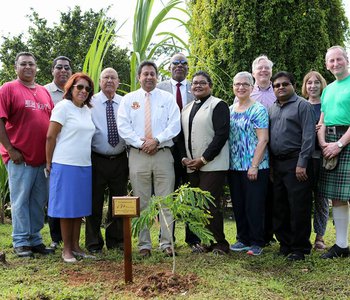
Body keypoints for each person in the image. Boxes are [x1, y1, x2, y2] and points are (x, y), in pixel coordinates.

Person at [117, 61, 180, 258]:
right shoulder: (129, 99)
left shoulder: (167, 98)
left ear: (157, 76)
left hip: (162, 153)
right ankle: (144, 244)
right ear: (139, 77)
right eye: (145, 74)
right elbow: (123, 126)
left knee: (165, 201)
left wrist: (157, 141)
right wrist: (141, 143)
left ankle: (167, 242)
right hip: (138, 155)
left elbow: (175, 125)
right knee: (141, 201)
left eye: (153, 74)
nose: (149, 77)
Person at [0, 52, 55, 258]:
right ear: (16, 68)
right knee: (20, 200)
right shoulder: (8, 89)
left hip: (41, 159)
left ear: (36, 67)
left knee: (37, 201)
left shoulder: (43, 91)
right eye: (23, 64)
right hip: (19, 158)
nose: (28, 67)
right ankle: (21, 241)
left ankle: (35, 240)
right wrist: (11, 149)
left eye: (31, 64)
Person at [46, 73, 96, 263]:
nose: (83, 91)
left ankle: (76, 246)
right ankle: (66, 249)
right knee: (67, 209)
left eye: (87, 89)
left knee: (79, 208)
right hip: (65, 164)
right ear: (71, 88)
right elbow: (50, 137)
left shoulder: (86, 110)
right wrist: (49, 162)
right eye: (79, 87)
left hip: (84, 165)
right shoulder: (63, 107)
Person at [181, 71, 230, 255]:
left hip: (213, 164)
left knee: (210, 204)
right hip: (192, 165)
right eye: (194, 83)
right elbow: (181, 137)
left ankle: (220, 244)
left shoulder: (218, 105)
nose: (198, 86)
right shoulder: (186, 108)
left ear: (210, 85)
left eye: (202, 83)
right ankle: (206, 241)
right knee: (198, 206)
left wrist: (203, 159)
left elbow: (221, 135)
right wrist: (184, 159)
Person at [269, 71, 315, 261]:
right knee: (280, 206)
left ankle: (300, 248)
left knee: (299, 207)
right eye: (277, 85)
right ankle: (285, 244)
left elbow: (309, 136)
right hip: (277, 164)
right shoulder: (272, 108)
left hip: (297, 163)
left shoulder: (302, 106)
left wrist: (302, 163)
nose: (280, 87)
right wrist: (271, 166)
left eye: (284, 84)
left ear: (293, 86)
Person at [85, 68, 128, 253]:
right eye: (106, 77)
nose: (109, 80)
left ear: (118, 81)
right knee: (94, 202)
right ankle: (94, 243)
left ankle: (116, 241)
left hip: (120, 159)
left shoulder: (125, 102)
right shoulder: (90, 102)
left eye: (113, 77)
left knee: (118, 202)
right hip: (97, 158)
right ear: (100, 81)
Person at [157, 53, 196, 248]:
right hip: (165, 147)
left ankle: (193, 238)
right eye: (175, 63)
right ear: (169, 67)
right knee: (166, 194)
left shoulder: (196, 87)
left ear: (188, 68)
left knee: (190, 193)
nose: (179, 66)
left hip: (190, 149)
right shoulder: (159, 88)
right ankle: (166, 239)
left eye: (183, 63)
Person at [228, 72, 269, 256]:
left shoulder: (258, 109)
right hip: (234, 166)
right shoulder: (230, 109)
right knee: (238, 204)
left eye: (245, 84)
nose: (241, 87)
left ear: (252, 87)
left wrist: (254, 165)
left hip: (255, 166)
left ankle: (257, 242)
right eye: (237, 84)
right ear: (233, 87)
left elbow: (263, 140)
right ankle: (242, 238)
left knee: (254, 205)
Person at [318, 46, 350, 259]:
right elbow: (321, 120)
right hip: (329, 141)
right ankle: (341, 245)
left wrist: (339, 144)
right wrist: (323, 143)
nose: (335, 63)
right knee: (337, 197)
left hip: (345, 139)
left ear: (347, 59)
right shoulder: (328, 89)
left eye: (339, 59)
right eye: (331, 61)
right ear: (327, 65)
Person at [44, 56, 73, 249]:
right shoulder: (44, 92)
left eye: (67, 68)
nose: (63, 71)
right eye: (59, 67)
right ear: (53, 70)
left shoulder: (76, 92)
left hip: (71, 152)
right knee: (54, 195)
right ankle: (56, 239)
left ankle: (69, 239)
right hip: (52, 150)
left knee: (67, 196)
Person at [301, 71, 329, 251]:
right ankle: (302, 236)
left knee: (321, 199)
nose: (312, 86)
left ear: (321, 84)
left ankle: (320, 237)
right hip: (304, 159)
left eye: (316, 82)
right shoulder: (300, 105)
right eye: (309, 82)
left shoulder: (328, 105)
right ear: (305, 86)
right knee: (303, 199)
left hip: (323, 158)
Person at [251, 55, 276, 246]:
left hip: (277, 147)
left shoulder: (279, 91)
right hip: (257, 150)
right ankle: (260, 232)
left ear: (271, 71)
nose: (263, 71)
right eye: (260, 68)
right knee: (259, 192)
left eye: (266, 68)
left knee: (274, 193)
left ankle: (271, 232)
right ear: (253, 73)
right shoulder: (245, 93)